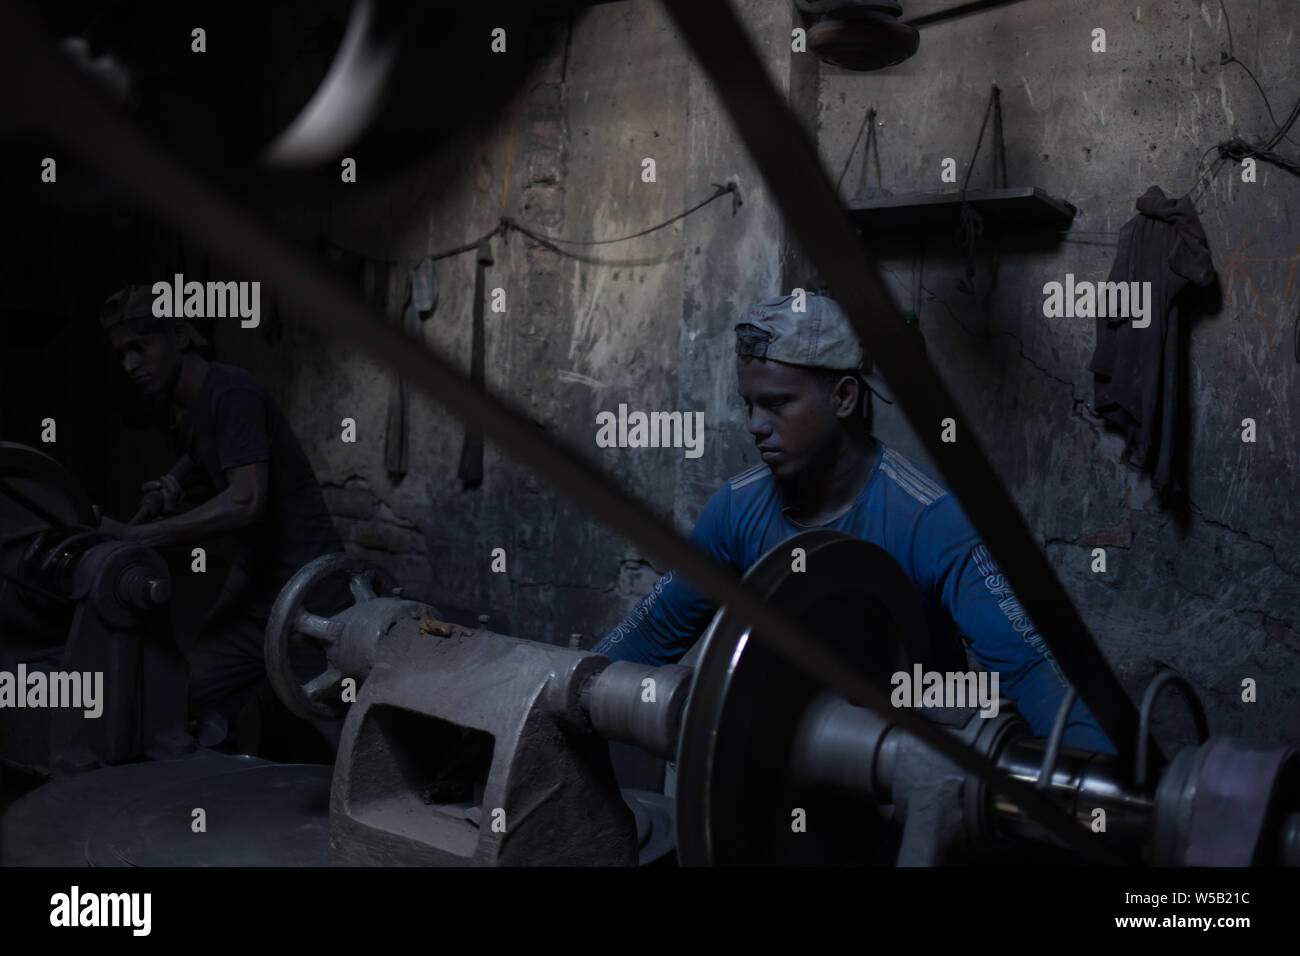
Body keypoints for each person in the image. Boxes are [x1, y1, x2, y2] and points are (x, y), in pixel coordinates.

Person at [592, 291, 1115, 753]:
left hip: (901, 771)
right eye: (748, 404)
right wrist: (570, 684)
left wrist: (1101, 789)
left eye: (776, 404)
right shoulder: (734, 510)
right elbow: (656, 629)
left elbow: (1032, 668)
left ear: (843, 397)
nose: (754, 426)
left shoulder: (930, 519)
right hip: (779, 768)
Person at [97, 284, 346, 751]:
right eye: (121, 353)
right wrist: (174, 482)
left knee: (338, 724)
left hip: (308, 592)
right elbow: (206, 452)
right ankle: (217, 791)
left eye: (139, 347)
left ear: (180, 336)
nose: (129, 365)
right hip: (255, 589)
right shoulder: (189, 406)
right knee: (189, 696)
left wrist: (141, 535)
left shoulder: (232, 392)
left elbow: (245, 500)